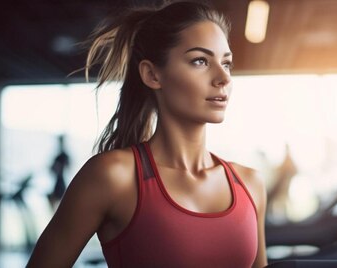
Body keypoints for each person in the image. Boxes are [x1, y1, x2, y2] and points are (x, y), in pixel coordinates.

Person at [27, 1, 267, 267]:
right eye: (200, 61)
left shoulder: (250, 185)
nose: (223, 77)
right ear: (152, 75)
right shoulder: (113, 177)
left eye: (227, 63)